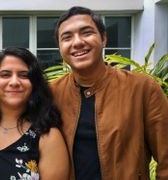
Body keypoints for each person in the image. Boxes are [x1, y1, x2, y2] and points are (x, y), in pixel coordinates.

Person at [51, 6, 168, 180]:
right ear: (60, 48)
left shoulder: (142, 88)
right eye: (67, 37)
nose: (77, 42)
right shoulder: (51, 93)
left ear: (104, 38)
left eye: (86, 32)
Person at [0, 47, 69, 180]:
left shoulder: (48, 135)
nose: (14, 82)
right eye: (5, 74)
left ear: (34, 84)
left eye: (24, 75)